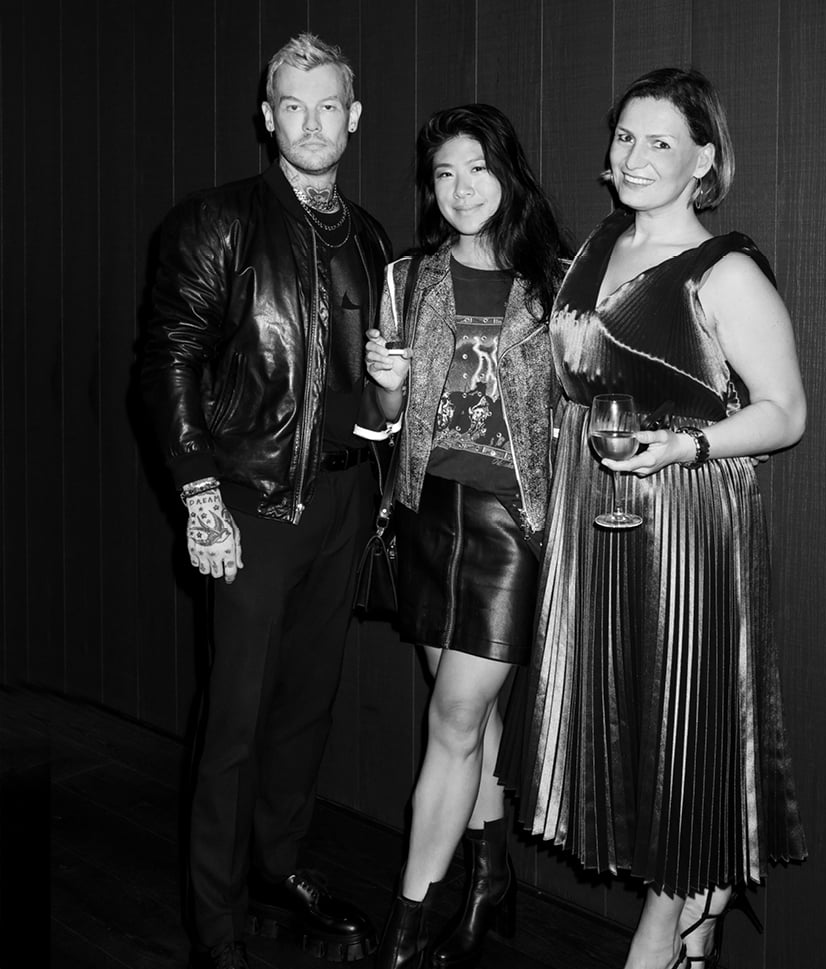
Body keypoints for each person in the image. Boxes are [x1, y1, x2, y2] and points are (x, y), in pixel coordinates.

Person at [498, 67, 807, 969]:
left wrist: (687, 446)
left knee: (683, 719)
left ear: (703, 161)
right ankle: (699, 916)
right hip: (592, 514)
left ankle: (659, 932)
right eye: (624, 136)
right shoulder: (596, 245)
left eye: (659, 141)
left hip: (682, 520)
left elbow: (785, 412)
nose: (632, 156)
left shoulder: (725, 269)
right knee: (623, 719)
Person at [141, 33, 391, 969]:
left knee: (304, 711)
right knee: (234, 724)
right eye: (293, 105)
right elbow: (167, 360)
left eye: (328, 106)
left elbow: (368, 381)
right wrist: (200, 498)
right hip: (250, 505)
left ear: (352, 117)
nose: (311, 123)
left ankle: (275, 872)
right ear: (267, 116)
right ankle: (214, 927)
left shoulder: (370, 236)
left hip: (341, 500)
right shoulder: (218, 221)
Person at [361, 103, 571, 969]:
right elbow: (386, 417)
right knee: (469, 721)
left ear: (507, 174)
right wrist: (383, 384)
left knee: (450, 716)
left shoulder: (557, 283)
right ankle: (490, 879)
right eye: (444, 173)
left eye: (477, 168)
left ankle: (404, 929)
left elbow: (581, 410)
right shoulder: (407, 277)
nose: (460, 188)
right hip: (425, 515)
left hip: (511, 525)